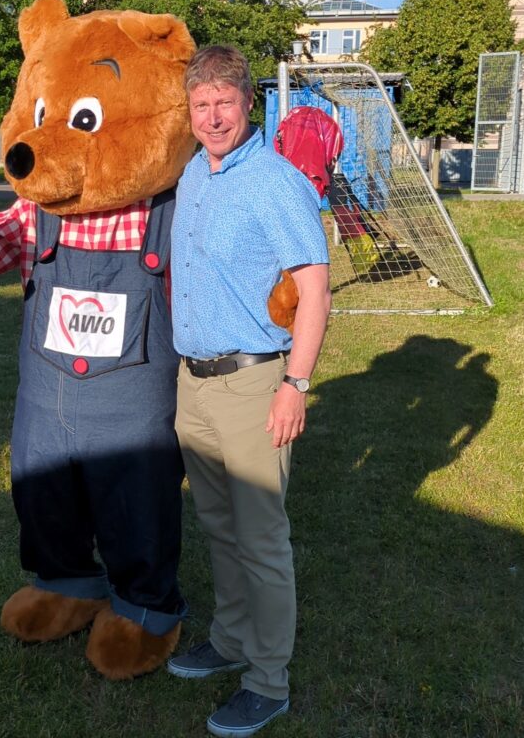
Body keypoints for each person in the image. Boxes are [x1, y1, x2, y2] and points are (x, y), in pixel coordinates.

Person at [165, 45, 331, 738]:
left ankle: (268, 680)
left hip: (255, 381)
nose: (212, 117)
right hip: (193, 384)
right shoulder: (191, 173)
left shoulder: (275, 181)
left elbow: (315, 291)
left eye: (224, 103)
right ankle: (231, 640)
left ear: (247, 103)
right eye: (200, 105)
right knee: (218, 525)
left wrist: (296, 383)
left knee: (261, 540)